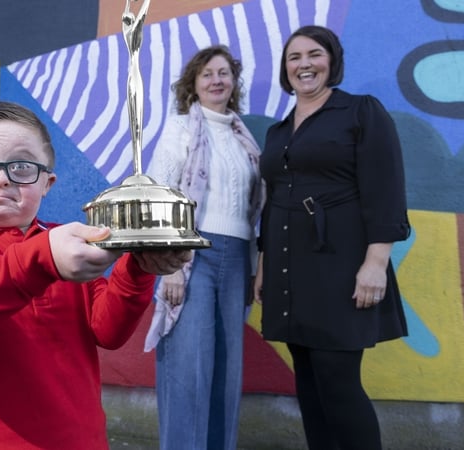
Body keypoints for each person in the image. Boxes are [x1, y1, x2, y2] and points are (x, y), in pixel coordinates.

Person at [0, 101, 192, 450]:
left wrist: (138, 268)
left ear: (47, 183)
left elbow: (108, 331)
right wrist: (38, 260)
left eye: (22, 167)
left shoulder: (62, 242)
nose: (0, 178)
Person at [253, 25, 411, 450]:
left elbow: (386, 189)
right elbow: (273, 201)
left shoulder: (360, 112)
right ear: (286, 69)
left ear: (332, 61)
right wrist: (264, 266)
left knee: (337, 381)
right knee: (308, 382)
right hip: (290, 267)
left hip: (341, 265)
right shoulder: (278, 132)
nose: (304, 64)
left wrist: (376, 264)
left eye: (314, 54)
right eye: (294, 58)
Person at [144, 45, 264, 449]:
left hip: (237, 260)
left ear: (234, 82)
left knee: (226, 373)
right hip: (192, 257)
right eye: (207, 74)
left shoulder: (244, 138)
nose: (217, 80)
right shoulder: (180, 128)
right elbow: (160, 195)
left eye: (224, 73)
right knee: (188, 367)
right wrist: (171, 266)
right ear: (193, 84)